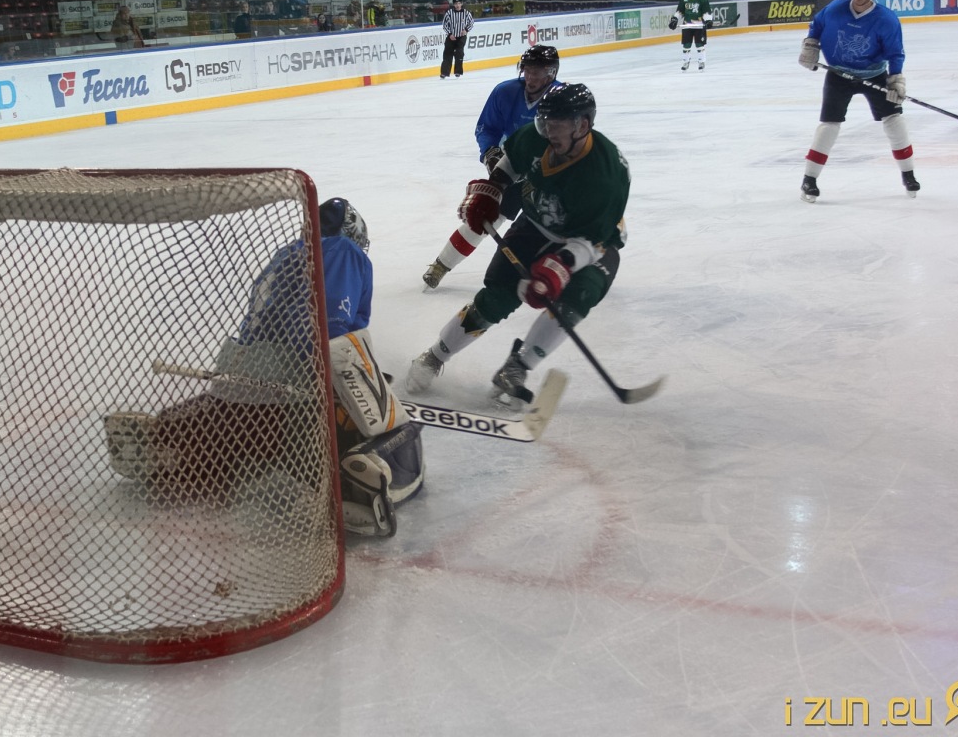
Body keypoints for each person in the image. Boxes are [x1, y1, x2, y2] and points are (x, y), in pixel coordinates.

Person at [104, 198, 423, 539]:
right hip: (293, 390)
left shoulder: (287, 253)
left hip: (239, 377)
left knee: (237, 444)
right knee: (399, 431)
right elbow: (328, 328)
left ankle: (167, 436)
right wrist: (338, 384)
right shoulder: (344, 251)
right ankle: (354, 489)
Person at [405, 84, 630, 406]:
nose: (548, 130)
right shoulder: (538, 136)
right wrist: (493, 190)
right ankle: (433, 357)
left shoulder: (606, 175)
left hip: (591, 244)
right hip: (535, 225)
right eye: (545, 122)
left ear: (582, 125)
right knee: (496, 298)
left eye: (557, 124)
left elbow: (592, 240)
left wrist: (560, 266)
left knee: (574, 301)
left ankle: (517, 367)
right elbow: (511, 161)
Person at [422, 45, 563, 289]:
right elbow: (487, 128)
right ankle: (441, 265)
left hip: (549, 178)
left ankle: (566, 273)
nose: (530, 77)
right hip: (512, 170)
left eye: (537, 72)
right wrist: (490, 151)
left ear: (551, 73)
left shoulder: (560, 99)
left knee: (557, 227)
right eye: (527, 70)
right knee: (484, 218)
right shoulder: (505, 92)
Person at [797, 0, 920, 202]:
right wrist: (810, 45)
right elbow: (817, 25)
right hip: (839, 75)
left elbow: (895, 52)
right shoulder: (835, 8)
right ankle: (809, 180)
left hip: (874, 74)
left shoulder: (886, 19)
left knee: (894, 119)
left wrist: (895, 80)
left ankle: (909, 175)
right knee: (829, 124)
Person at [669, 0, 712, 71]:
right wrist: (674, 19)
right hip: (687, 25)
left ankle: (701, 61)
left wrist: (708, 20)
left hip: (699, 25)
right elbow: (680, 11)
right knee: (686, 44)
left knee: (699, 44)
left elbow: (706, 11)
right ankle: (686, 62)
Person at [439, 0, 474, 79]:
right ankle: (444, 73)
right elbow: (444, 25)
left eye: (459, 3)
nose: (457, 5)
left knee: (459, 53)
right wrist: (450, 34)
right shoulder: (449, 13)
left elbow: (471, 22)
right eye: (456, 3)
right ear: (453, 4)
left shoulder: (466, 13)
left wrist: (466, 30)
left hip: (461, 37)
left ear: (461, 4)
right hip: (451, 37)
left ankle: (458, 71)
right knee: (447, 54)